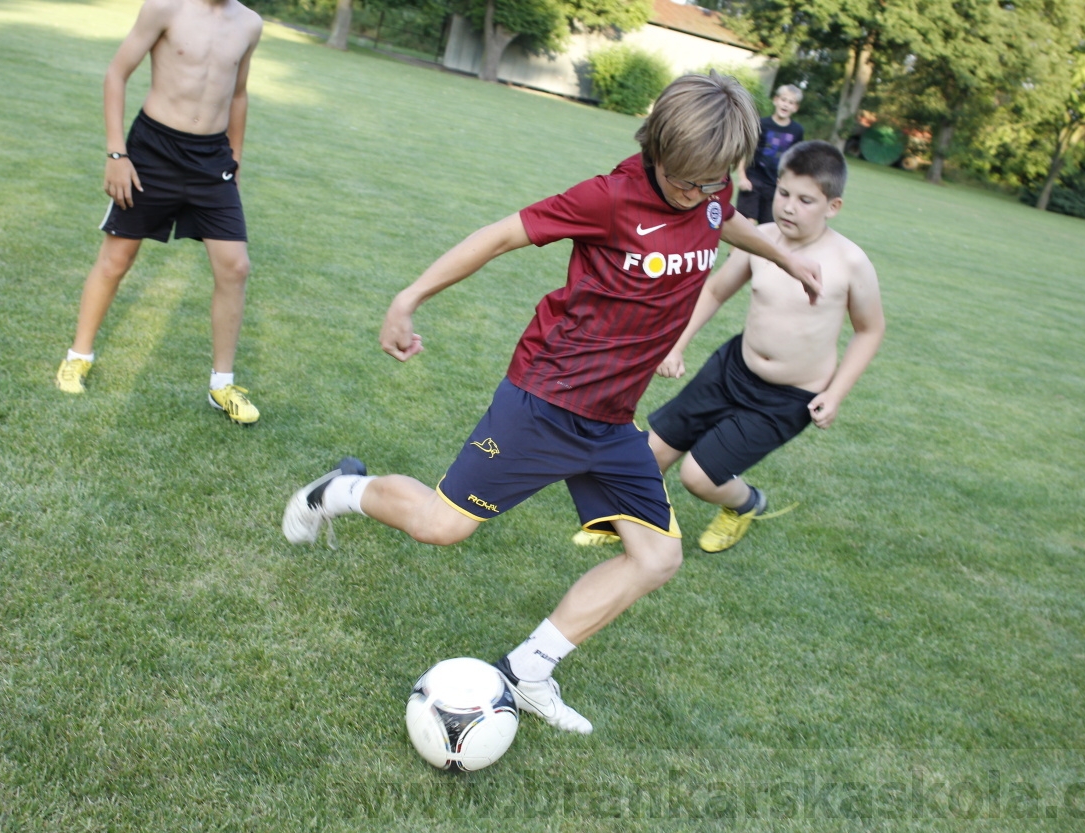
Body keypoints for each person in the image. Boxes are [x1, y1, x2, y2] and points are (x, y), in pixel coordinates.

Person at [283, 73, 822, 735]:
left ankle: (529, 669)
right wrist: (407, 298)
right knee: (442, 527)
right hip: (547, 400)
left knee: (657, 557)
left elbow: (731, 222)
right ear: (656, 148)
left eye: (715, 179)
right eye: (689, 181)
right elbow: (500, 235)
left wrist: (788, 261)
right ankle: (338, 490)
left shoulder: (711, 196)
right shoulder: (611, 197)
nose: (702, 195)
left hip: (611, 420)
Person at [576, 140, 884, 554]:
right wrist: (676, 345)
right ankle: (620, 521)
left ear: (833, 206)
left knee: (698, 477)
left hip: (788, 397)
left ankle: (747, 504)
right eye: (784, 193)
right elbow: (716, 290)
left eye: (806, 200)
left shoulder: (850, 262)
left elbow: (870, 330)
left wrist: (835, 393)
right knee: (650, 452)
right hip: (732, 369)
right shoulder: (760, 239)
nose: (789, 206)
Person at [55, 0, 264, 426]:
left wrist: (235, 160)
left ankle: (221, 384)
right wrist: (117, 153)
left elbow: (238, 95)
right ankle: (78, 356)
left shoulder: (250, 24)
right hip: (152, 152)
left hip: (212, 161)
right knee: (117, 259)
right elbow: (117, 72)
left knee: (235, 267)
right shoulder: (165, 7)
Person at [734, 84, 805, 226]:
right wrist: (742, 177)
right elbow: (746, 152)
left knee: (768, 228)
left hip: (776, 185)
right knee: (746, 223)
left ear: (795, 108)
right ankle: (734, 250)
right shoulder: (761, 124)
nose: (786, 105)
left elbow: (796, 161)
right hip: (753, 180)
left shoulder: (797, 131)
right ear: (776, 100)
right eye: (784, 100)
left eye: (791, 102)